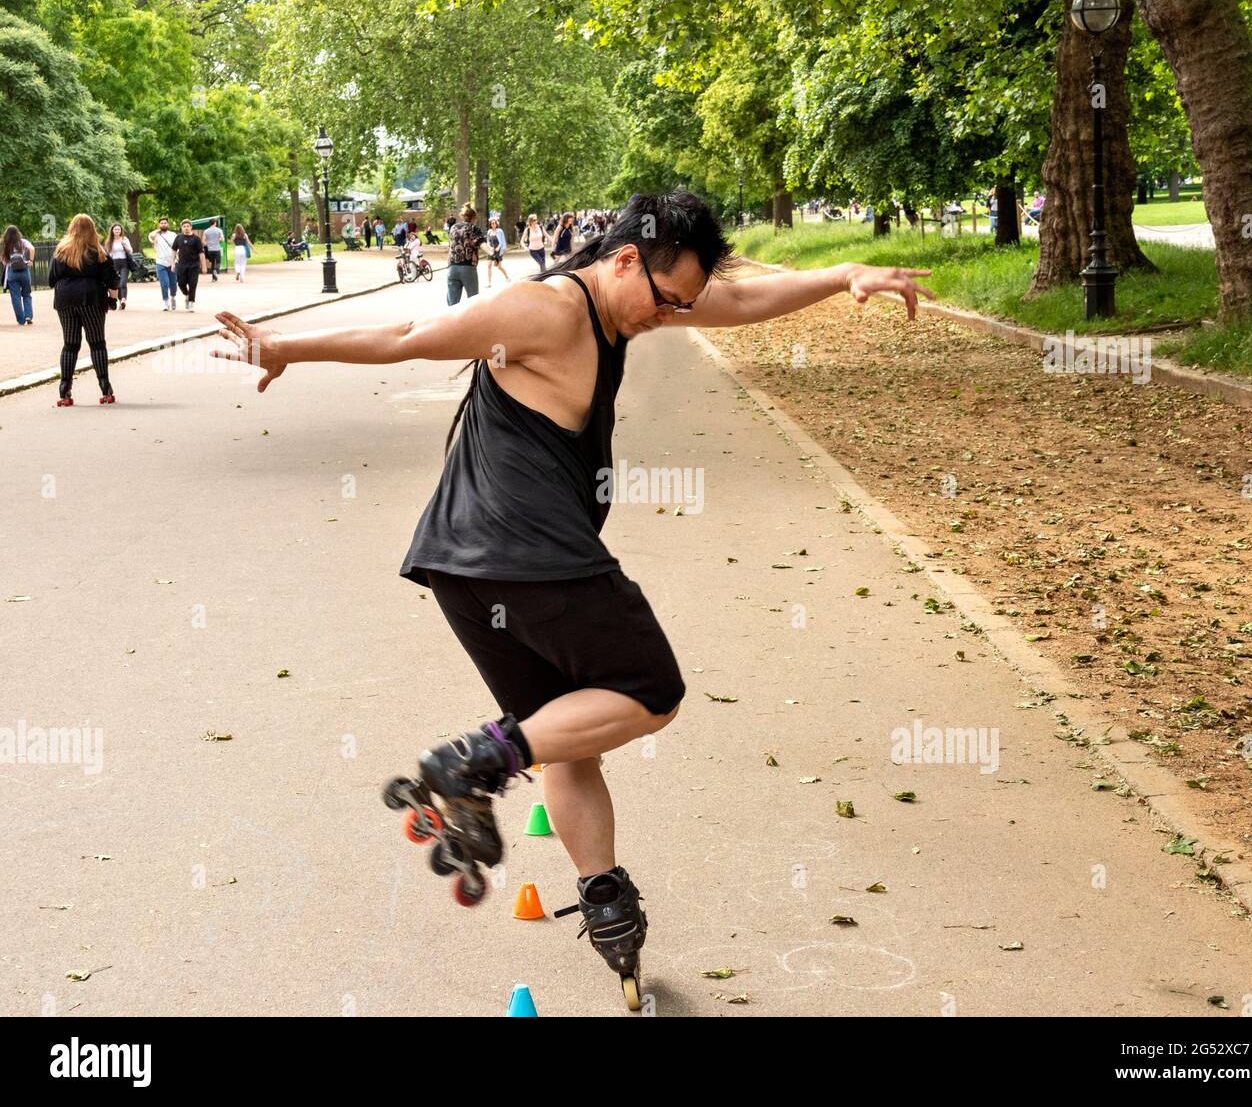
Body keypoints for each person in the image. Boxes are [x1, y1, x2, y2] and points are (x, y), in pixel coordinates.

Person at [207, 190, 935, 994]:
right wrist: (285, 348)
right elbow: (409, 334)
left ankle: (601, 893)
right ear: (625, 259)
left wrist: (843, 275)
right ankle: (477, 760)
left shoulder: (629, 303)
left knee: (568, 731)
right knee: (651, 690)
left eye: (680, 305)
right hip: (530, 558)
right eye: (665, 302)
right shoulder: (547, 311)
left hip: (464, 567)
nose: (671, 318)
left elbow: (737, 298)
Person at [48, 213, 120, 406]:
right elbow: (113, 280)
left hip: (65, 300)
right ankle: (105, 387)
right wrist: (113, 301)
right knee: (97, 343)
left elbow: (51, 280)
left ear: (72, 228)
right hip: (92, 299)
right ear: (92, 229)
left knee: (70, 344)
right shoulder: (99, 252)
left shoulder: (60, 252)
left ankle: (65, 390)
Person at [445, 203, 486, 305]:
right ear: (474, 217)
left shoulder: (453, 227)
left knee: (452, 304)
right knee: (473, 301)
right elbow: (481, 242)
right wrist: (492, 252)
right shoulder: (473, 228)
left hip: (452, 267)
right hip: (467, 267)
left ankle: (451, 320)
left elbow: (450, 246)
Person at [3, 224, 35, 325]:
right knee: (26, 294)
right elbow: (32, 248)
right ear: (17, 233)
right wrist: (30, 260)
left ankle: (21, 320)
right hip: (24, 270)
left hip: (12, 272)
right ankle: (28, 315)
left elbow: (2, 259)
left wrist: (6, 262)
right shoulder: (22, 242)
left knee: (15, 297)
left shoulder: (4, 244)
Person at [172, 219, 204, 312]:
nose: (186, 228)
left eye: (188, 226)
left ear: (191, 227)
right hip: (181, 265)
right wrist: (172, 263)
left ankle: (191, 303)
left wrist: (204, 266)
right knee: (181, 283)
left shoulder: (196, 239)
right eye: (184, 226)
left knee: (193, 284)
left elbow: (201, 253)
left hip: (194, 265)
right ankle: (187, 295)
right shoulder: (178, 238)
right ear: (182, 228)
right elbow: (174, 250)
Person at [149, 217, 179, 311]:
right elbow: (151, 236)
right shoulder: (156, 235)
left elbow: (177, 246)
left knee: (173, 283)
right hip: (160, 262)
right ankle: (166, 302)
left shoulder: (173, 234)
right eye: (161, 223)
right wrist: (158, 230)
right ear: (159, 225)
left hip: (172, 262)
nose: (163, 224)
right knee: (164, 284)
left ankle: (173, 297)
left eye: (165, 223)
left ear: (168, 224)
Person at [105, 223, 133, 310]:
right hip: (114, 263)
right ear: (112, 231)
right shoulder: (109, 241)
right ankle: (119, 300)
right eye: (115, 229)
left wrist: (124, 244)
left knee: (123, 282)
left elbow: (130, 251)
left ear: (121, 231)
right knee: (116, 283)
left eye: (118, 229)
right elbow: (107, 253)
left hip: (124, 263)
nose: (117, 231)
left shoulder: (124, 239)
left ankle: (123, 300)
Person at [485, 216, 509, 287]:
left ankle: (507, 277)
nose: (493, 224)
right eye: (492, 223)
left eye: (495, 223)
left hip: (498, 250)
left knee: (499, 266)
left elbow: (502, 241)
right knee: (489, 265)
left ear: (496, 224)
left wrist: (499, 247)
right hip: (491, 250)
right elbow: (488, 241)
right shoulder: (489, 231)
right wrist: (489, 247)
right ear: (490, 224)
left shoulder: (500, 231)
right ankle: (489, 283)